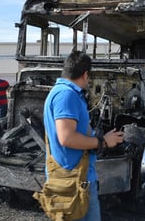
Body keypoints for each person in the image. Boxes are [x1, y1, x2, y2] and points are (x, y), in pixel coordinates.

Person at [43, 51, 124, 221]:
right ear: (85, 74)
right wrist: (102, 142)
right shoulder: (67, 95)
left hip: (74, 178)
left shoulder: (62, 92)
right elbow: (67, 138)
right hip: (74, 182)